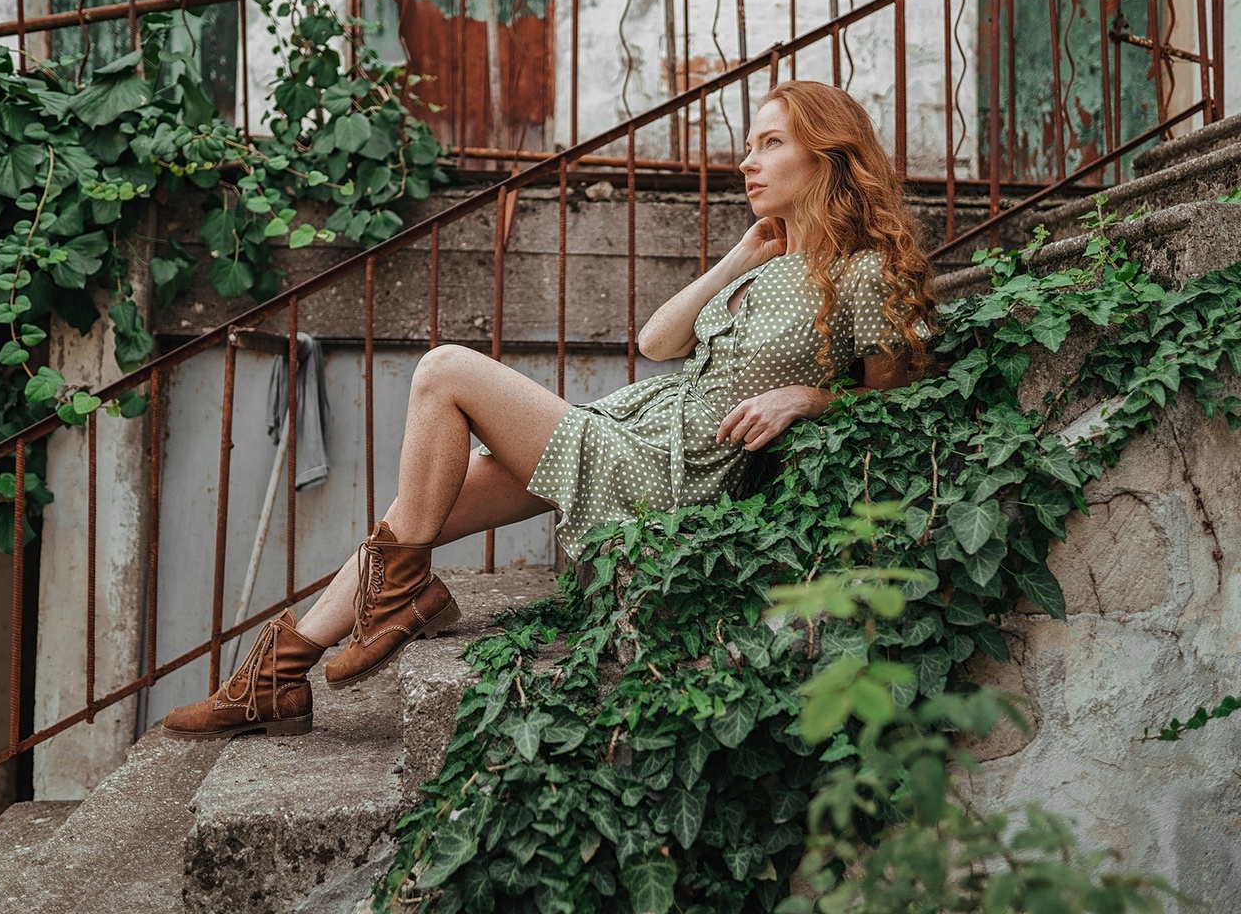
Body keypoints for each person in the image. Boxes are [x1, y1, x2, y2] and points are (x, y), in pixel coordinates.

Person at [161, 80, 934, 741]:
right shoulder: (766, 264)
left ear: (826, 157)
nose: (746, 159)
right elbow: (658, 341)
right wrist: (740, 255)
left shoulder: (863, 273)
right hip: (640, 431)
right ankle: (281, 672)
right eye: (750, 143)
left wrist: (810, 396)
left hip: (675, 479)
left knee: (443, 371)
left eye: (770, 143)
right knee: (421, 505)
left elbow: (896, 402)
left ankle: (404, 598)